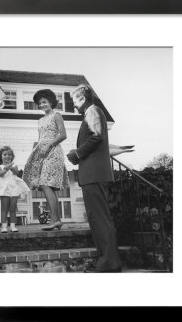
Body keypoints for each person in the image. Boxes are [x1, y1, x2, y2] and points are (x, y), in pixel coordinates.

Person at [67, 84, 122, 273]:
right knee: (97, 219)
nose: (73, 106)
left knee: (100, 219)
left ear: (82, 99)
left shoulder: (93, 111)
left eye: (74, 101)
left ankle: (109, 263)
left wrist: (77, 153)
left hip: (94, 175)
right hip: (92, 175)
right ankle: (105, 260)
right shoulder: (92, 113)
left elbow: (96, 137)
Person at [23, 89, 70, 231]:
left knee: (45, 184)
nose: (42, 105)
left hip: (54, 151)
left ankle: (55, 220)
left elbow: (63, 135)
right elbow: (40, 138)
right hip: (41, 152)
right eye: (40, 103)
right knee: (47, 185)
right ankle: (57, 221)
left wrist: (49, 145)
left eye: (44, 102)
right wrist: (36, 149)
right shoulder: (40, 120)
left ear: (50, 102)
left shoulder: (57, 115)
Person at [0, 146, 30, 233]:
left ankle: (13, 226)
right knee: (4, 208)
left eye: (9, 155)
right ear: (1, 156)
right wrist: (6, 168)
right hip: (4, 189)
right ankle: (4, 226)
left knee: (13, 208)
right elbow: (0, 174)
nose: (7, 156)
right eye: (5, 154)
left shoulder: (14, 165)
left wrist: (11, 167)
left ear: (12, 156)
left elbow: (16, 173)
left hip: (13, 188)